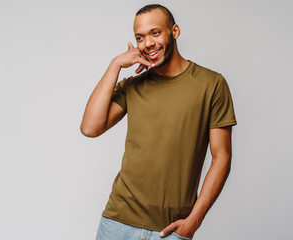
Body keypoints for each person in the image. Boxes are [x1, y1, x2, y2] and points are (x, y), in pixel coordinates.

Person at [80, 4, 237, 240]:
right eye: (140, 37)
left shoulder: (211, 84)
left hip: (171, 230)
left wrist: (194, 220)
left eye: (155, 33)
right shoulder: (133, 86)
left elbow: (222, 156)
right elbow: (90, 128)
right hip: (117, 222)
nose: (148, 43)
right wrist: (115, 65)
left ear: (174, 31)